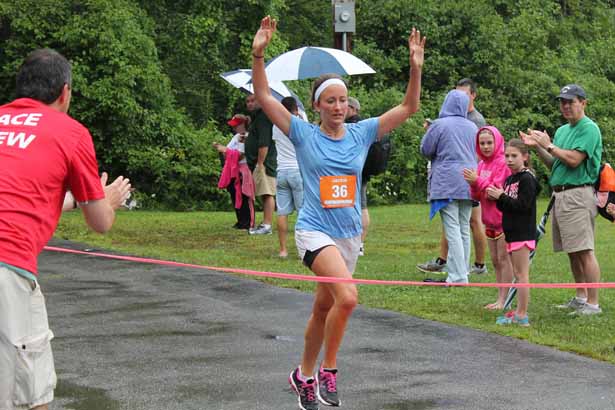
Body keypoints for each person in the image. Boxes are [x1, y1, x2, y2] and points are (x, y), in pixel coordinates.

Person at [251, 16, 424, 410]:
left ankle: (303, 376)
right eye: (330, 101)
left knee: (323, 308)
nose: (338, 107)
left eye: (343, 100)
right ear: (316, 106)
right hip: (314, 231)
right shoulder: (303, 132)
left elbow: (410, 106)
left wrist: (415, 68)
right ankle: (329, 371)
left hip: (348, 235)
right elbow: (263, 96)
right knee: (347, 298)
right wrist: (258, 54)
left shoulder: (362, 132)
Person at [0, 48, 131, 410]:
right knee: (27, 393)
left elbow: (24, 196)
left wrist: (77, 200)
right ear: (65, 92)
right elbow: (100, 222)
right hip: (7, 270)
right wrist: (108, 199)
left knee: (24, 389)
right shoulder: (70, 133)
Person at [520, 83, 603, 315]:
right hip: (561, 194)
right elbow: (554, 164)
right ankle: (580, 296)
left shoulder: (590, 128)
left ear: (583, 103)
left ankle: (593, 303)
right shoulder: (562, 131)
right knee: (572, 249)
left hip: (578, 194)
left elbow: (574, 160)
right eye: (562, 102)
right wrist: (538, 147)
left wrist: (549, 145)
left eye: (571, 101)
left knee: (585, 249)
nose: (565, 106)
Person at [417, 78, 488, 275]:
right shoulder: (472, 126)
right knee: (464, 227)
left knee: (452, 228)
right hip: (468, 182)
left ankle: (457, 275)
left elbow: (426, 149)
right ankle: (462, 270)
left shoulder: (439, 125)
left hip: (447, 182)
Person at [486, 139, 540, 326]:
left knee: (521, 274)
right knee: (518, 273)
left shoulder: (527, 179)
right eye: (507, 155)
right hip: (511, 232)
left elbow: (523, 206)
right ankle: (518, 311)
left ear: (525, 157)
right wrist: (497, 197)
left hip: (522, 233)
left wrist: (502, 196)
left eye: (514, 156)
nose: (509, 159)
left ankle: (521, 315)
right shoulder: (510, 179)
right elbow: (507, 206)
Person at [463, 126, 513, 309]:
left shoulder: (502, 163)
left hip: (503, 220)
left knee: (503, 260)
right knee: (494, 261)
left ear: (497, 142)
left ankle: (504, 299)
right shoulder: (481, 165)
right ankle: (500, 297)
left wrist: (478, 181)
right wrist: (472, 184)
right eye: (482, 143)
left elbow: (494, 192)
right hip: (488, 220)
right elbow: (477, 196)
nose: (485, 147)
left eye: (489, 143)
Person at [273, 97, 304, 258]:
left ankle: (283, 250)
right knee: (303, 212)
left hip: (281, 172)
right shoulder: (299, 124)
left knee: (282, 213)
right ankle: (302, 250)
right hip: (297, 171)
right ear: (295, 108)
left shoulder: (275, 125)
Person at [214, 114, 254, 230]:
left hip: (243, 169)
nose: (234, 128)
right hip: (233, 169)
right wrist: (224, 150)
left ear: (242, 125)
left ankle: (247, 222)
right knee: (235, 194)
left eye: (236, 125)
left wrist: (225, 150)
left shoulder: (247, 137)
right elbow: (228, 153)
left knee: (244, 195)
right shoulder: (236, 136)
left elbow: (240, 155)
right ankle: (240, 221)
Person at [244, 94, 277, 235]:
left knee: (267, 193)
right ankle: (265, 223)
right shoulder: (256, 117)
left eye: (253, 100)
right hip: (257, 162)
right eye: (247, 101)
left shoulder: (264, 117)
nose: (250, 104)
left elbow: (264, 143)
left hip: (264, 163)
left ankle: (267, 225)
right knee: (263, 193)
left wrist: (260, 163)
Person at [344, 97, 369, 256]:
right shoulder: (363, 125)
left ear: (352, 108)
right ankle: (358, 242)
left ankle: (358, 243)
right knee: (361, 206)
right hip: (362, 171)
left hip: (354, 173)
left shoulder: (352, 126)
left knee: (360, 207)